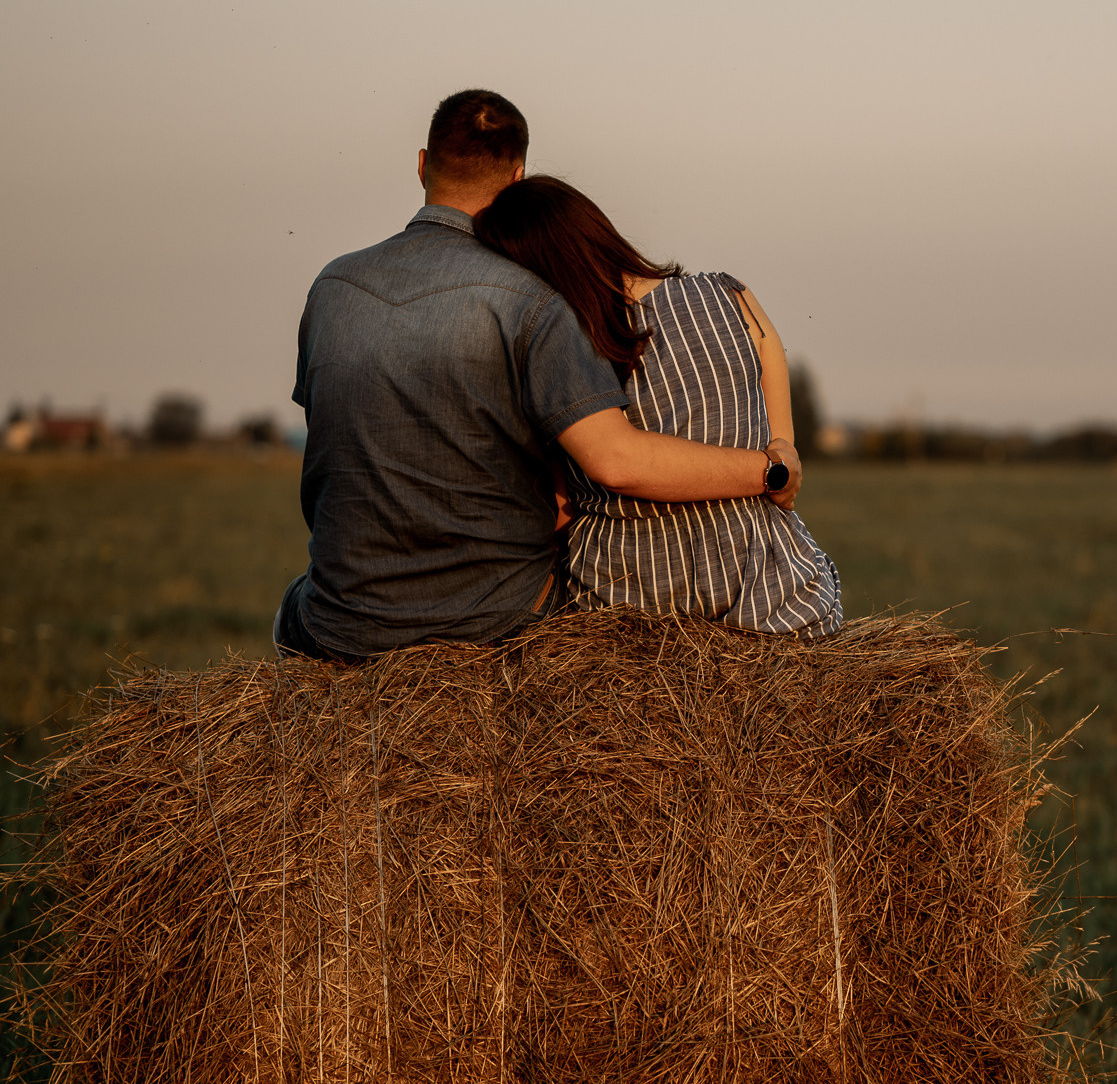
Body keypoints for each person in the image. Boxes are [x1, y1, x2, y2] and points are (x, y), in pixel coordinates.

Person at [276, 89, 800, 663]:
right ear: (518, 176)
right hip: (497, 620)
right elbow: (615, 461)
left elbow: (334, 445)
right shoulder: (534, 301)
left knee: (291, 608)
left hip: (343, 623)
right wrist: (770, 468)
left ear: (423, 163)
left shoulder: (332, 288)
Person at [473, 177, 841, 637]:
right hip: (769, 594)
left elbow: (567, 504)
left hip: (631, 605)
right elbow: (769, 349)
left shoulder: (560, 347)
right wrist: (781, 451)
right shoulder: (729, 294)